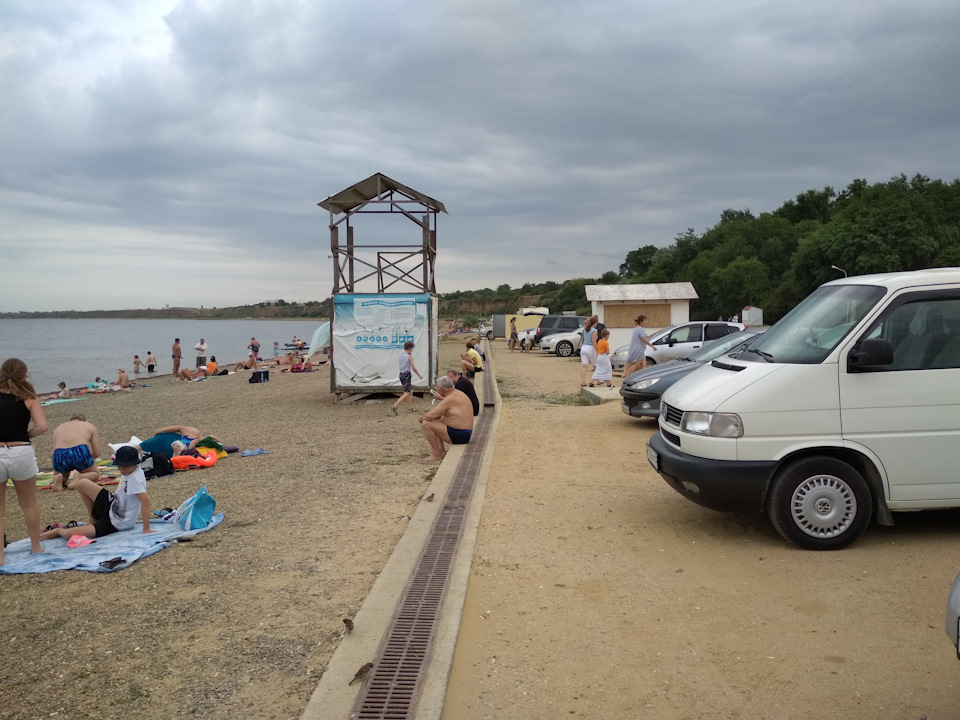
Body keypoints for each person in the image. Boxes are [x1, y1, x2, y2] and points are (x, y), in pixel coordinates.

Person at [39, 445, 152, 542]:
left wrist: (146, 528)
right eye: (119, 466)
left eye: (125, 466)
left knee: (71, 533)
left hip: (116, 523)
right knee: (82, 483)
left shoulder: (135, 478)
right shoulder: (131, 471)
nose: (122, 469)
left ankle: (58, 531)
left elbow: (145, 501)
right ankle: (93, 519)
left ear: (135, 464)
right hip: (112, 504)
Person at [0, 358, 48, 565]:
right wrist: (25, 435)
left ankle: (0, 556)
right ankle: (36, 546)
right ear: (24, 374)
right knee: (29, 502)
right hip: (21, 451)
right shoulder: (28, 396)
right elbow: (42, 426)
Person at [417, 376, 474, 462]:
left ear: (441, 389)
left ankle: (436, 454)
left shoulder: (449, 399)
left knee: (426, 423)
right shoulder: (458, 394)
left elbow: (431, 415)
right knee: (436, 421)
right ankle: (441, 451)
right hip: (465, 433)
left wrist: (422, 417)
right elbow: (437, 415)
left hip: (460, 435)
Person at [50, 414, 100, 492]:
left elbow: (55, 449)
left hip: (60, 453)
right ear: (84, 421)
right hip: (79, 451)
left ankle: (58, 478)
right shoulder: (89, 426)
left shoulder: (59, 428)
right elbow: (97, 453)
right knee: (94, 473)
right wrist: (89, 461)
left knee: (60, 474)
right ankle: (80, 477)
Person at [392, 341, 423, 415]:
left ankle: (410, 407)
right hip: (407, 375)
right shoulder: (409, 356)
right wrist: (419, 375)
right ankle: (395, 406)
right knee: (407, 392)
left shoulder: (401, 356)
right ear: (410, 348)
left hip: (401, 374)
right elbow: (413, 367)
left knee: (410, 390)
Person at [136, 425, 203, 459]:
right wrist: (159, 431)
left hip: (169, 452)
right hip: (164, 440)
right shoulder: (196, 434)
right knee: (137, 449)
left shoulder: (201, 451)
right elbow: (179, 428)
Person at [579, 317, 598, 387]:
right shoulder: (594, 330)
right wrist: (597, 350)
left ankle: (583, 381)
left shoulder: (585, 329)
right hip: (590, 348)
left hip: (584, 347)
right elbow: (594, 341)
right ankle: (598, 380)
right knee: (595, 365)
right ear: (595, 323)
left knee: (584, 366)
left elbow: (583, 339)